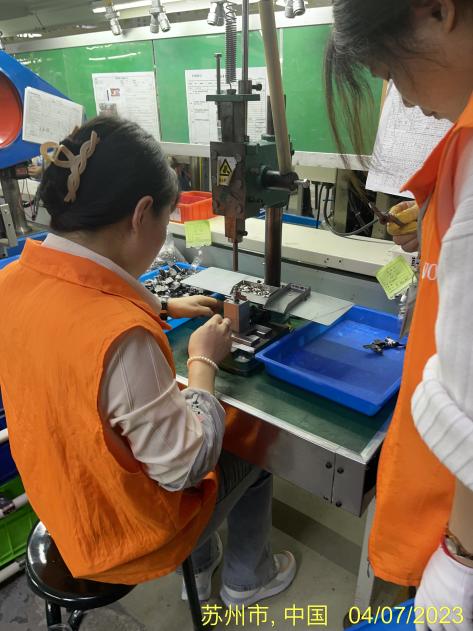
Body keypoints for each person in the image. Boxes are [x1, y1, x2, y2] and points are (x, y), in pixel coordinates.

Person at [0, 117, 296, 606]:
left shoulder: (11, 282)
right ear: (141, 214)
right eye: (165, 219)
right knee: (253, 449)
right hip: (124, 533)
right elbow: (186, 466)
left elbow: (72, 312)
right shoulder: (123, 339)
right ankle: (246, 578)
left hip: (61, 501)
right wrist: (202, 362)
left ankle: (203, 564)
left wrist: (160, 305)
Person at [325, 0, 473, 626]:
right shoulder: (461, 144)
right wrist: (432, 225)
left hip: (450, 532)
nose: (404, 101)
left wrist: (459, 565)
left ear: (438, 11)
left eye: (391, 71)